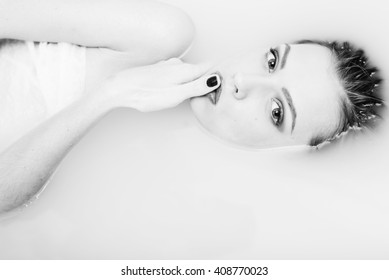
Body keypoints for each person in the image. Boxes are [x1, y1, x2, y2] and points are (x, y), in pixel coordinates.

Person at [0, 0, 383, 214]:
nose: (242, 82)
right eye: (270, 61)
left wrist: (111, 97)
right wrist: (111, 93)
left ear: (286, 153)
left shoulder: (158, 207)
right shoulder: (160, 36)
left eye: (277, 112)